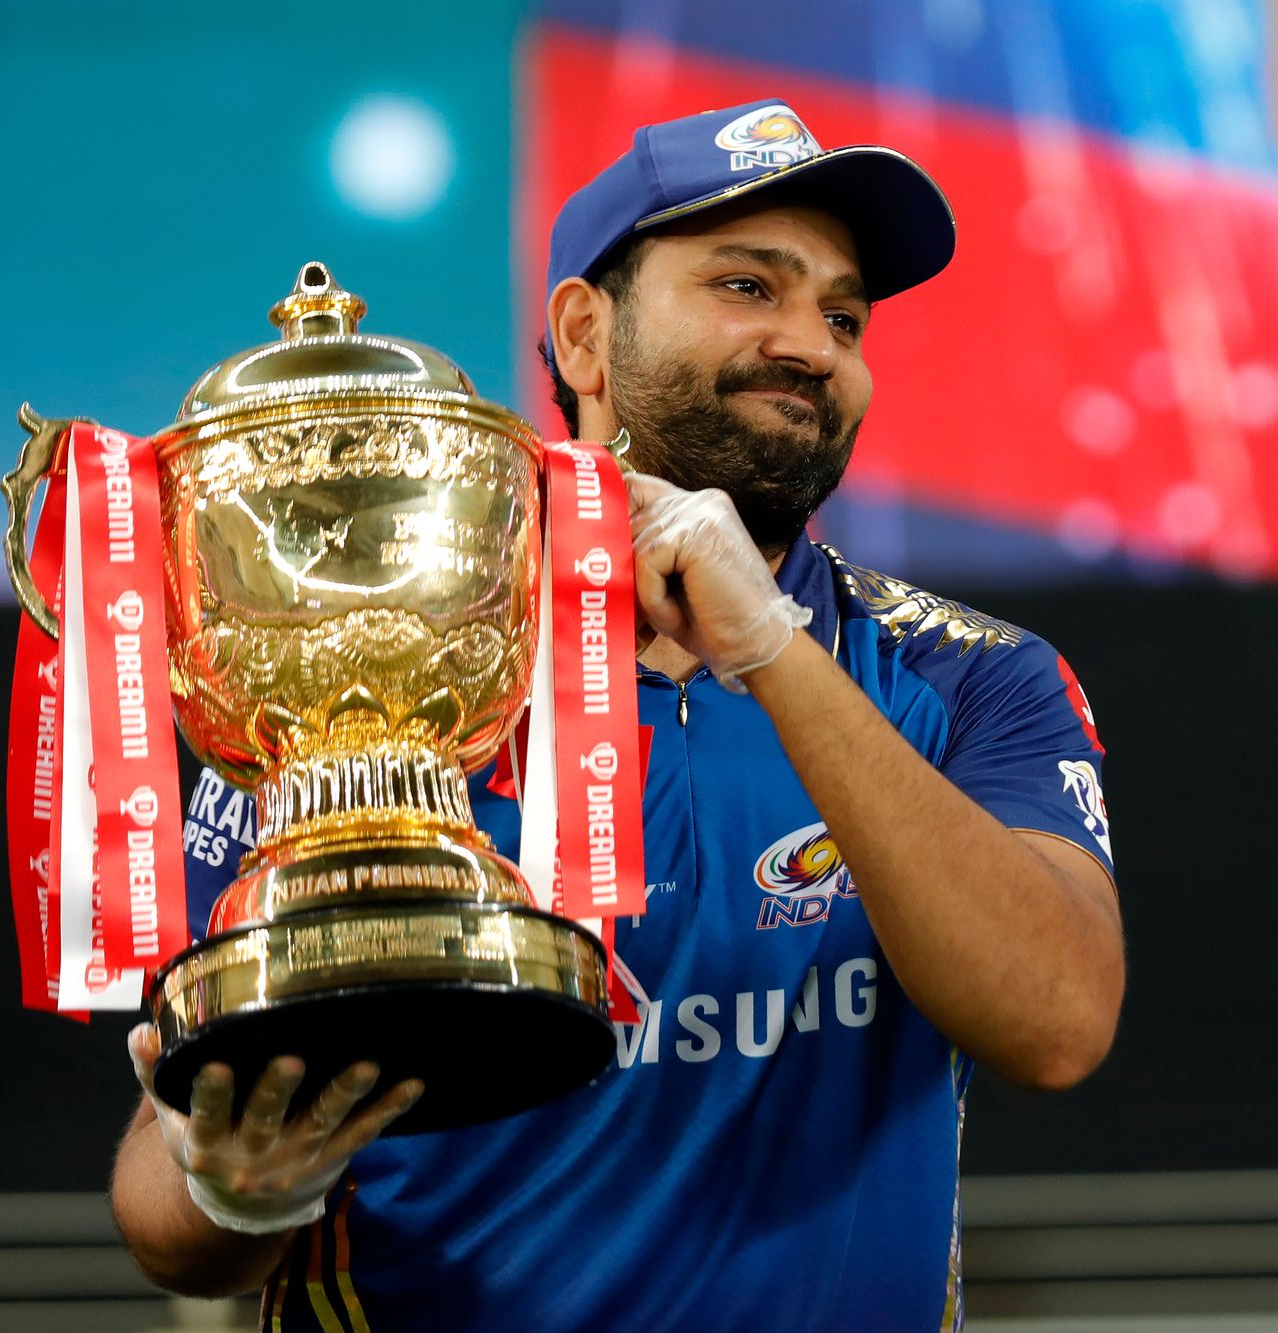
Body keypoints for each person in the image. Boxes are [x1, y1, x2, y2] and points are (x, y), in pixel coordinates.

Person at [111, 97, 1125, 1331]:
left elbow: (1057, 1021)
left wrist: (772, 650)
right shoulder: (381, 678)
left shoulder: (967, 676)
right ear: (585, 336)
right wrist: (238, 1193)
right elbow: (165, 1213)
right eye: (748, 286)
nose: (811, 342)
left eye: (843, 313)